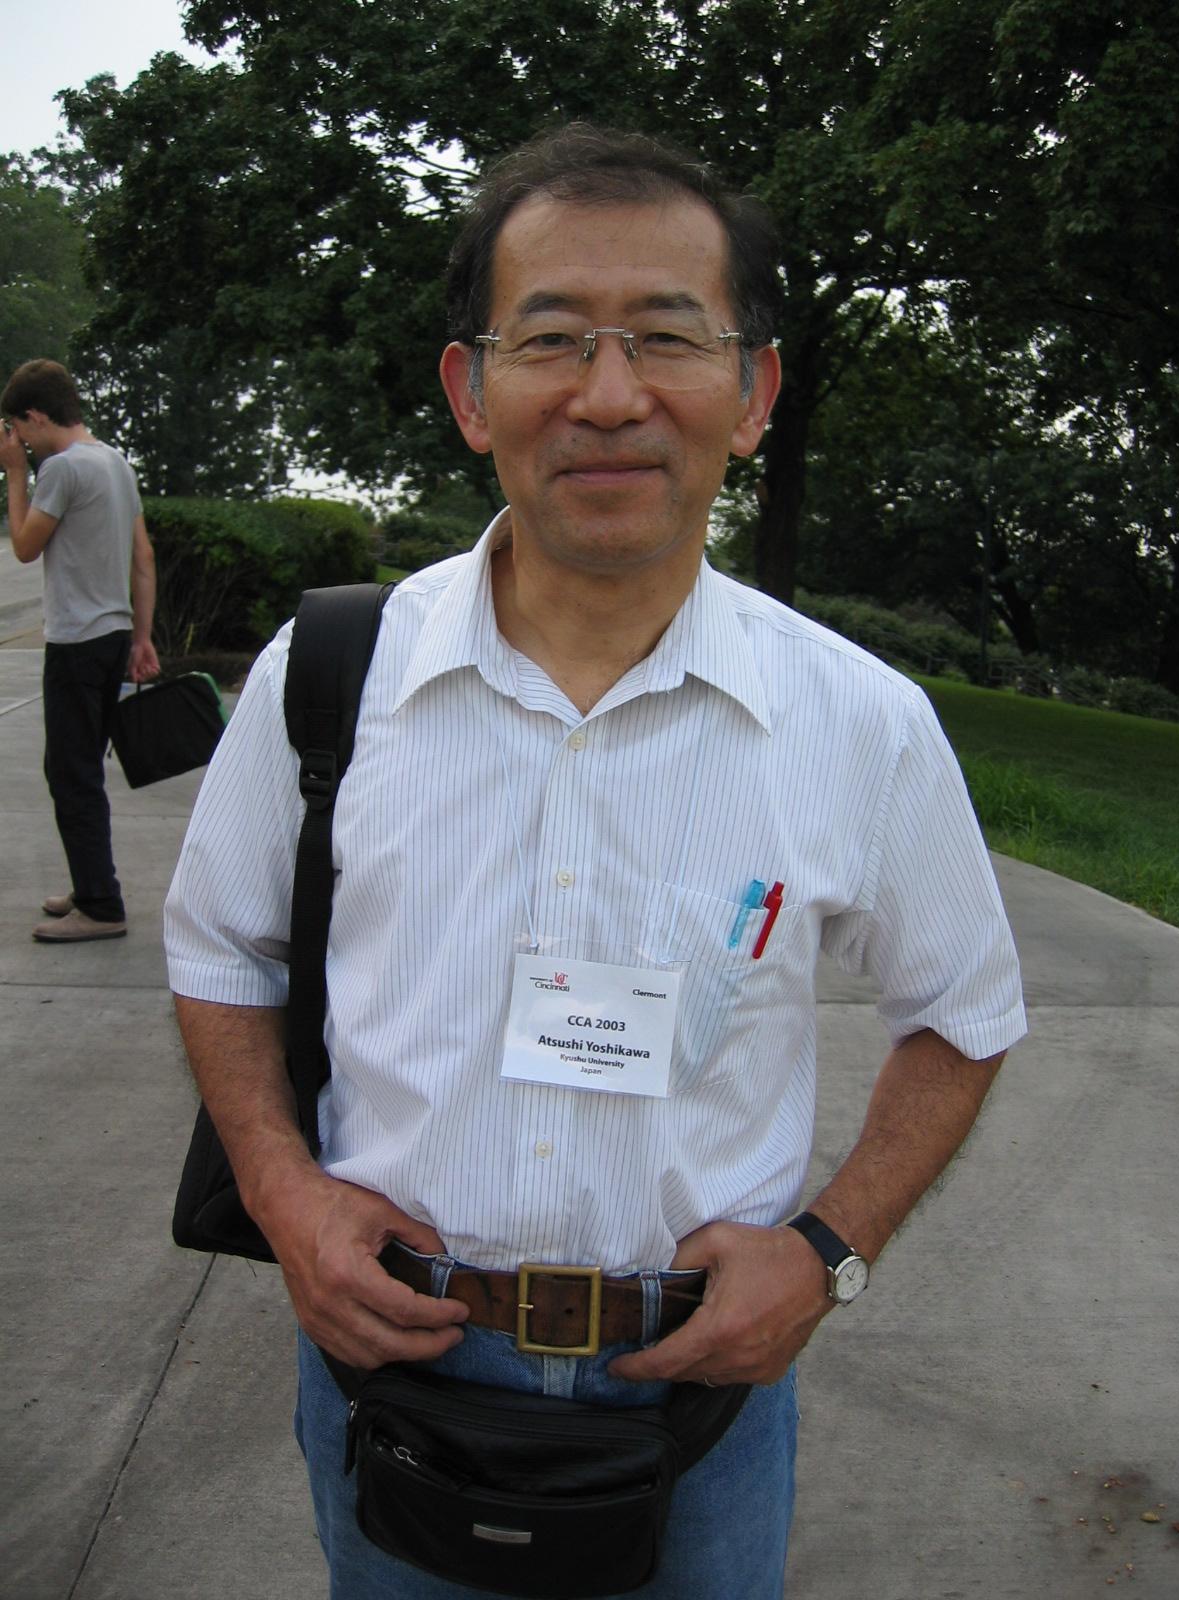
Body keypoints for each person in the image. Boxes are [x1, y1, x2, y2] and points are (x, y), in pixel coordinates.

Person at [164, 124, 1026, 1599]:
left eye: (669, 338)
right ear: (470, 390)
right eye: (552, 337)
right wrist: (284, 1194)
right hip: (392, 1365)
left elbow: (965, 1009)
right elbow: (220, 948)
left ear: (752, 393)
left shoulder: (861, 722)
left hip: (699, 1397)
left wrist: (829, 1251)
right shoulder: (331, 675)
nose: (610, 395)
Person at [1, 359, 160, 943]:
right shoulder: (114, 461)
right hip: (112, 637)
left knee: (72, 775)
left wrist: (15, 474)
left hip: (75, 642)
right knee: (78, 769)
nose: (19, 441)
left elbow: (24, 547)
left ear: (37, 416)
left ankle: (100, 904)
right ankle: (90, 883)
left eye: (20, 429)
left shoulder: (62, 470)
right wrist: (141, 637)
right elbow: (143, 558)